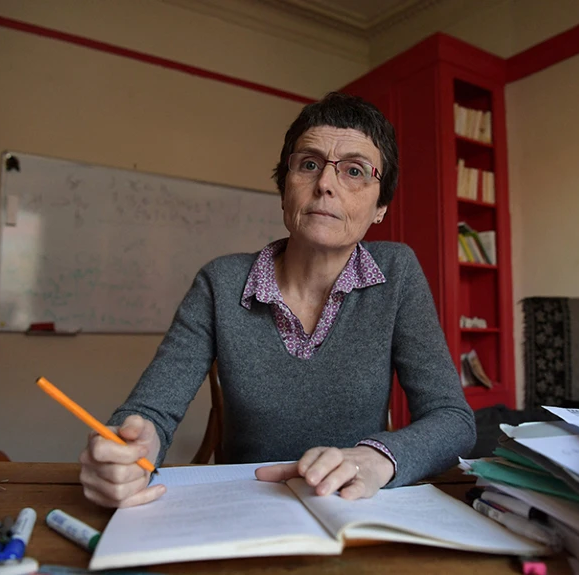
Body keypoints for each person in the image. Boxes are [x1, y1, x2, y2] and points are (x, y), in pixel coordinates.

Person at [79, 92, 476, 508]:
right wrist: (129, 450)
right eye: (309, 164)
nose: (325, 185)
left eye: (355, 171)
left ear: (381, 207)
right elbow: (150, 412)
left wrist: (377, 459)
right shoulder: (221, 282)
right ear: (284, 188)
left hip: (353, 509)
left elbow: (453, 419)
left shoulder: (396, 272)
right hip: (246, 510)